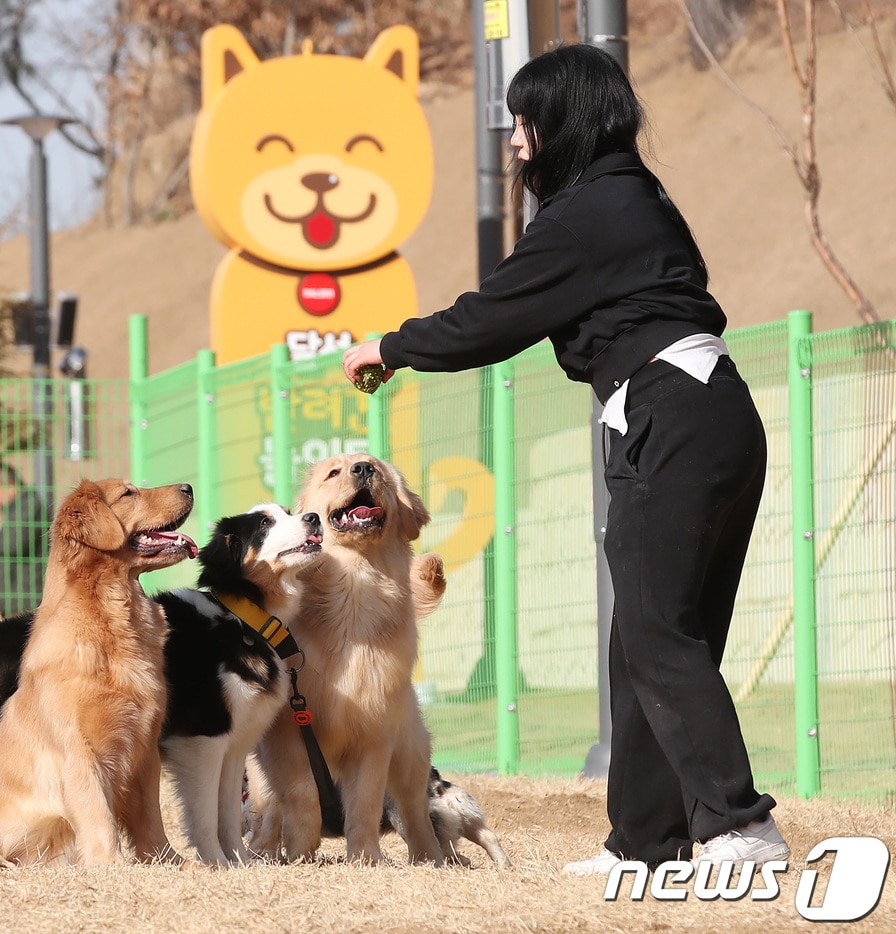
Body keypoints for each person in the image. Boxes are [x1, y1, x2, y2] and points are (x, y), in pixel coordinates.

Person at [340, 43, 788, 874]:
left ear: (564, 123)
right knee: (648, 638)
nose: (515, 139)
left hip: (672, 414)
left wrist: (390, 345)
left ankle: (739, 825)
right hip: (702, 411)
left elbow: (489, 319)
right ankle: (649, 844)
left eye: (525, 121)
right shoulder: (629, 198)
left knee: (657, 632)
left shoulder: (591, 213)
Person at [0, 463, 49, 618]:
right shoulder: (16, 509)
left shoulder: (29, 506)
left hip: (26, 598)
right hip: (15, 597)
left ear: (10, 485)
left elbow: (11, 544)